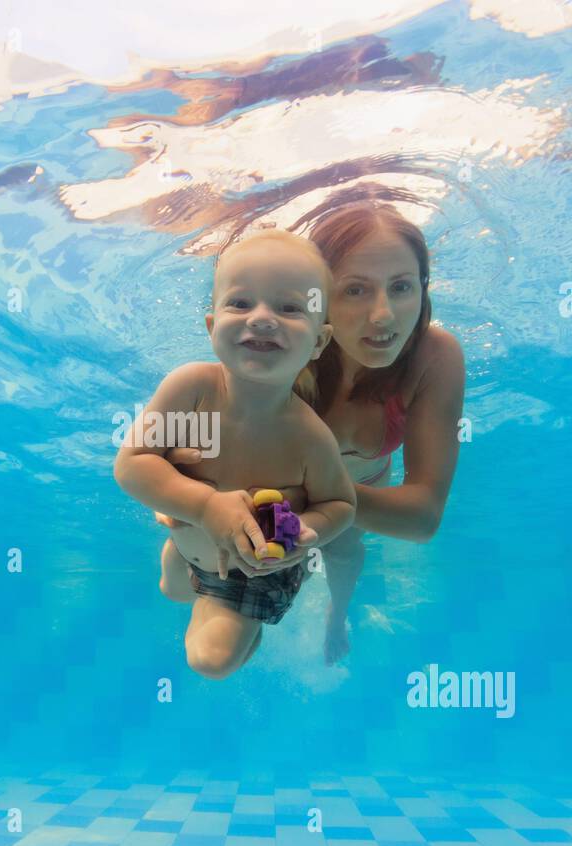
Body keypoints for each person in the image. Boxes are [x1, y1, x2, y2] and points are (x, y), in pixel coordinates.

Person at [156, 200, 466, 665]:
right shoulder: (280, 345)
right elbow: (185, 442)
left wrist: (317, 506)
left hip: (352, 493)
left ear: (423, 289)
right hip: (257, 495)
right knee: (182, 589)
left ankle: (336, 616)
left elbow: (422, 517)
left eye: (401, 287)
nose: (383, 315)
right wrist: (188, 494)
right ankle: (215, 596)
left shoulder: (433, 355)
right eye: (354, 290)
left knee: (343, 550)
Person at [113, 229, 357, 680]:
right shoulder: (191, 388)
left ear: (319, 343)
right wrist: (203, 505)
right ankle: (186, 570)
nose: (262, 319)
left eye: (288, 308)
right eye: (241, 303)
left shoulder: (309, 436)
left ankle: (247, 631)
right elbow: (132, 462)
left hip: (254, 571)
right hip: (191, 545)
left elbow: (340, 505)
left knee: (211, 661)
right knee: (172, 591)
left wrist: (306, 535)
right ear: (211, 327)